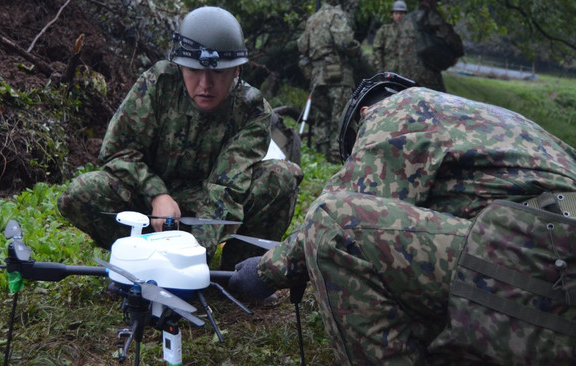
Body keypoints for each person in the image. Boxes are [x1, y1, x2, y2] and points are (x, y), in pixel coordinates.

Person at [229, 73, 576, 364]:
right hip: (547, 259)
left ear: (365, 114)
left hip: (547, 260)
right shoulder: (478, 122)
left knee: (332, 223)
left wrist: (263, 271)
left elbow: (349, 208)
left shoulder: (399, 110)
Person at [57, 6, 303, 271]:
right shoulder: (158, 85)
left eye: (218, 73)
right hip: (151, 206)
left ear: (236, 71)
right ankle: (139, 260)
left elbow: (226, 188)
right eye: (194, 71)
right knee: (81, 193)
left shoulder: (252, 109)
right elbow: (118, 151)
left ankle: (242, 272)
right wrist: (156, 193)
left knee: (281, 176)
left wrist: (192, 257)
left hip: (211, 206)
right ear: (180, 66)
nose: (205, 84)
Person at [297, 0, 361, 162]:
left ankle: (321, 154)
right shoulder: (337, 15)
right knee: (340, 115)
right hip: (338, 74)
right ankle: (337, 155)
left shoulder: (313, 19)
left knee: (321, 116)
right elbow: (344, 42)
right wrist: (357, 50)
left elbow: (302, 45)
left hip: (316, 76)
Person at [398, 0, 464, 91]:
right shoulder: (432, 16)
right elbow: (452, 39)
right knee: (438, 100)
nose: (436, 3)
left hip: (405, 74)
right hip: (426, 73)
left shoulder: (405, 20)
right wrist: (456, 54)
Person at [371, 0, 407, 73]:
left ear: (405, 15)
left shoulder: (410, 32)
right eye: (396, 13)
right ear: (392, 15)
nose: (399, 16)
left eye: (401, 13)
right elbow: (377, 51)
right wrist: (379, 70)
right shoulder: (384, 31)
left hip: (406, 72)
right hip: (389, 71)